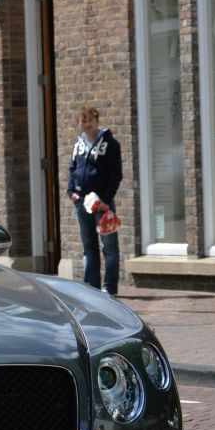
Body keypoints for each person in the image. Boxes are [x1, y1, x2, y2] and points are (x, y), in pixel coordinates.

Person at [67, 104, 123, 296]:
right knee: (88, 246)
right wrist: (71, 192)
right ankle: (91, 287)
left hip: (102, 204)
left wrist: (107, 199)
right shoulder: (78, 146)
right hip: (82, 203)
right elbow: (72, 170)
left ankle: (110, 287)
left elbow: (116, 174)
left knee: (109, 247)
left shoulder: (110, 144)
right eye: (83, 120)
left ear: (97, 121)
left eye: (90, 119)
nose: (87, 123)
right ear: (79, 123)